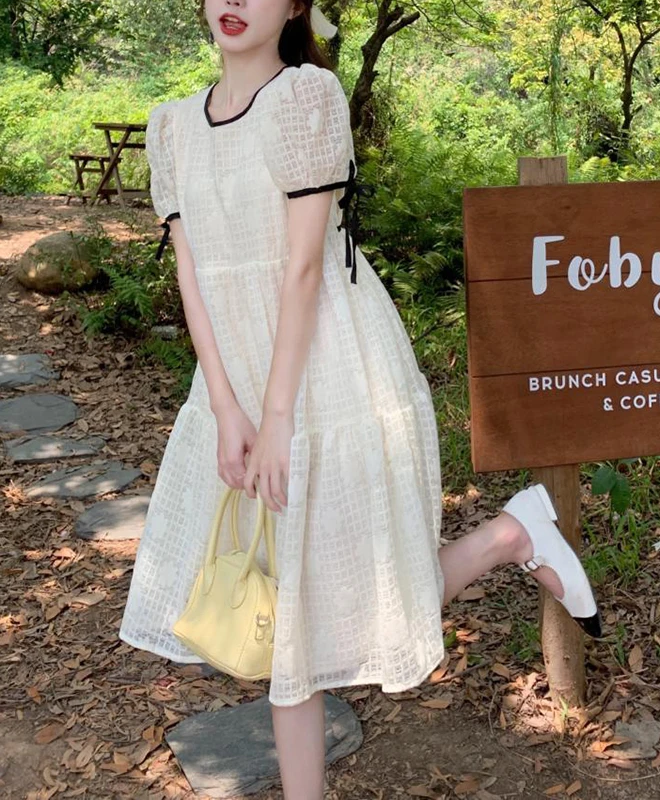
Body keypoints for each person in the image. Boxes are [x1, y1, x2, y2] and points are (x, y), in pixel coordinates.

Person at [118, 1, 602, 797]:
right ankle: (512, 533)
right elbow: (190, 274)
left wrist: (277, 419)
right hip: (237, 381)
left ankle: (508, 537)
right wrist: (229, 409)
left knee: (338, 595)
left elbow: (304, 268)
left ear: (296, 6)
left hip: (333, 371)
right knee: (289, 617)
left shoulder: (304, 97)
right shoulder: (171, 126)